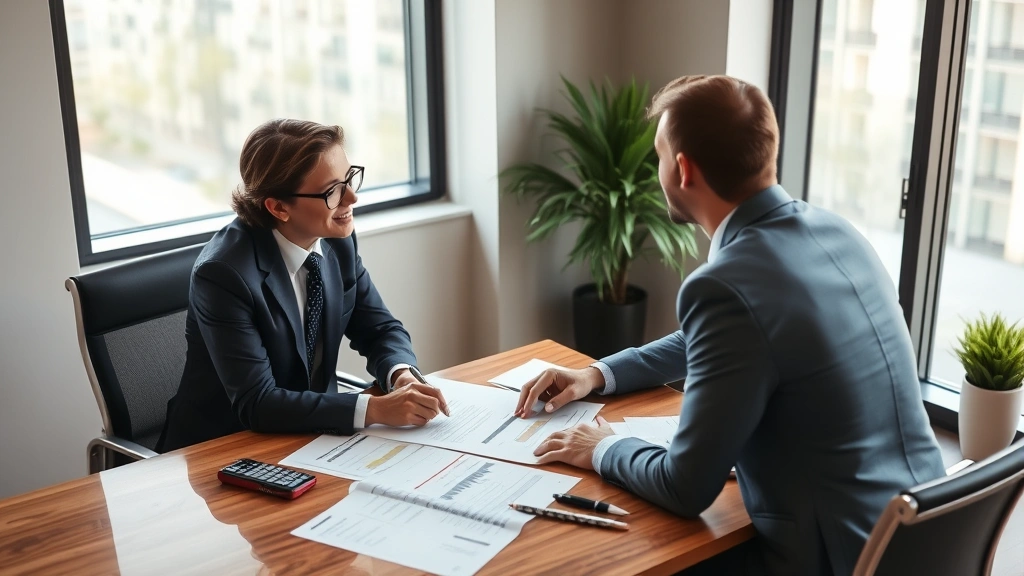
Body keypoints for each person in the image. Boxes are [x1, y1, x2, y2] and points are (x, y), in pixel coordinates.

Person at [516, 76, 945, 575]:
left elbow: (685, 488)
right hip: (925, 530)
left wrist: (602, 447)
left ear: (682, 169)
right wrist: (596, 374)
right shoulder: (838, 232)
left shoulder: (723, 286)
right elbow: (735, 337)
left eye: (658, 156)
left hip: (837, 558)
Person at [157, 119, 447, 452]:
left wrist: (401, 376)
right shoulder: (223, 275)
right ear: (278, 207)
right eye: (332, 191)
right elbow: (258, 402)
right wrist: (375, 409)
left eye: (349, 178)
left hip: (315, 437)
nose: (352, 197)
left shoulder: (337, 241)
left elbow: (379, 329)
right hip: (226, 449)